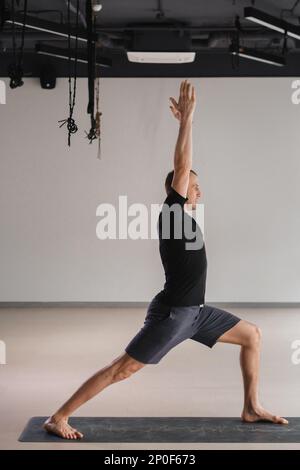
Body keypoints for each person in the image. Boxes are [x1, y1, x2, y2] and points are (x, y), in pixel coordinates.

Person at [44, 80, 288, 440]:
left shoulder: (186, 218)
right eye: (192, 184)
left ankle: (251, 407)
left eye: (198, 184)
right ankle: (59, 417)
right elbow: (182, 162)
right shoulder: (171, 214)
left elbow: (186, 171)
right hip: (175, 314)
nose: (198, 189)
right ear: (176, 188)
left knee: (252, 335)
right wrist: (186, 122)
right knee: (123, 369)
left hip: (198, 313)